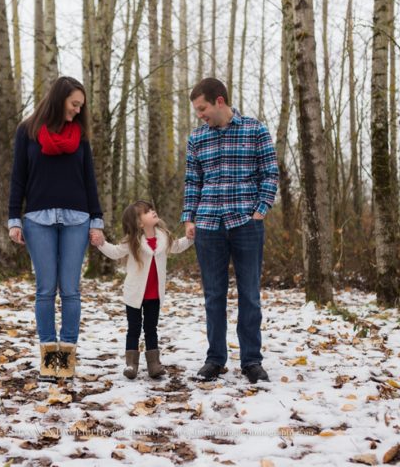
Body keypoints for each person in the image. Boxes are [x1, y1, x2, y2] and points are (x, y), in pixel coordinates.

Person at [182, 77, 279, 384]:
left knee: (249, 295)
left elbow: (270, 172)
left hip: (246, 225)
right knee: (213, 296)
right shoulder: (197, 139)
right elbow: (192, 182)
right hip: (208, 225)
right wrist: (189, 217)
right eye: (197, 110)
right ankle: (215, 359)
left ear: (219, 101)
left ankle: (251, 361)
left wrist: (260, 209)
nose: (200, 115)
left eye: (203, 108)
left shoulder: (255, 129)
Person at [8, 76, 105, 383]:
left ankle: (68, 358)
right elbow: (18, 177)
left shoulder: (80, 134)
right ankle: (51, 361)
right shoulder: (27, 131)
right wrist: (14, 219)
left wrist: (97, 219)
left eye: (81, 106)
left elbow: (89, 179)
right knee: (46, 290)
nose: (77, 111)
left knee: (72, 290)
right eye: (74, 104)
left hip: (77, 218)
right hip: (38, 219)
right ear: (59, 98)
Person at [92, 200, 193, 379]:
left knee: (151, 328)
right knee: (134, 328)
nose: (153, 212)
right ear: (139, 222)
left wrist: (191, 237)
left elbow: (177, 246)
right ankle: (131, 364)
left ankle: (154, 364)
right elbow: (115, 252)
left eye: (152, 209)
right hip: (135, 294)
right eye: (147, 212)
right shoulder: (133, 241)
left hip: (154, 295)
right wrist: (101, 243)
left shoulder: (163, 237)